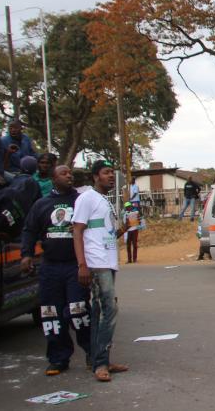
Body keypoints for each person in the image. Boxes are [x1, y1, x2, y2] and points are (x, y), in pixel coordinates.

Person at [21, 165, 90, 376]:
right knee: (51, 314)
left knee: (79, 311)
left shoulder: (80, 202)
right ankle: (58, 359)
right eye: (63, 173)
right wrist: (26, 254)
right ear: (53, 179)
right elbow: (29, 230)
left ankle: (93, 354)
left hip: (74, 266)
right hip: (50, 267)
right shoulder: (41, 205)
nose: (69, 176)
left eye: (70, 173)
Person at [71, 160, 128, 381]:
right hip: (96, 263)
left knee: (99, 312)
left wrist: (125, 228)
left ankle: (98, 359)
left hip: (108, 260)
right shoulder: (86, 198)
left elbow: (107, 234)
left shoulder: (104, 201)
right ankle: (100, 363)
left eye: (112, 173)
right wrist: (82, 264)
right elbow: (78, 231)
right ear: (95, 176)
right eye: (106, 173)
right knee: (109, 309)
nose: (111, 177)